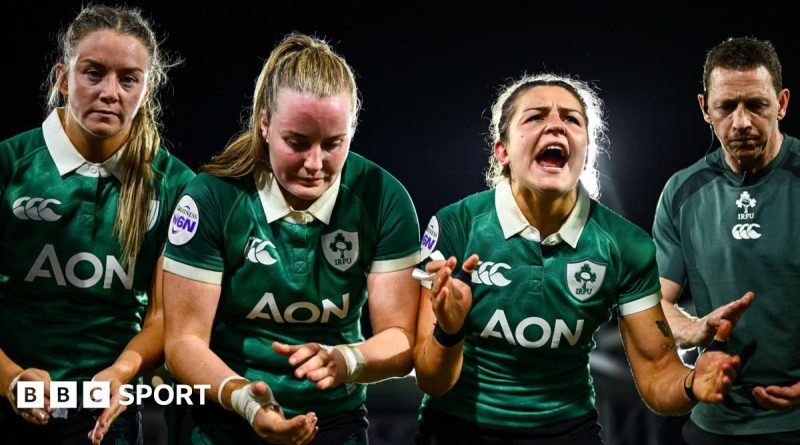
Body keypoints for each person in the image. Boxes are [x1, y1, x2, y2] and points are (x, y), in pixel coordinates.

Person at [412, 73, 741, 444]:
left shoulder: (625, 244)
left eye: (571, 119)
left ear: (587, 150)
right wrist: (450, 330)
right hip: (459, 429)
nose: (556, 125)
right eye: (536, 116)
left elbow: (656, 374)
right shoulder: (457, 225)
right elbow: (431, 381)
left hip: (567, 431)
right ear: (502, 150)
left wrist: (691, 382)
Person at [162, 33, 421, 445]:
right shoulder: (210, 197)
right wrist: (246, 400)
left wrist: (346, 360)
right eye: (297, 143)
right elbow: (181, 342)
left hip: (334, 417)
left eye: (334, 144)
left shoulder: (383, 197)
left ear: (353, 129)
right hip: (221, 412)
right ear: (264, 123)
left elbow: (402, 338)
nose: (315, 164)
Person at [0, 4, 194, 445]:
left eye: (128, 79)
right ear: (63, 79)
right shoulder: (10, 165)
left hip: (107, 407)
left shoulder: (178, 186)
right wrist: (12, 379)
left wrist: (121, 373)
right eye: (93, 73)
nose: (110, 91)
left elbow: (164, 318)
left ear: (147, 91)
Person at [653, 36, 800, 444]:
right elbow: (653, 305)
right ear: (704, 108)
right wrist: (695, 329)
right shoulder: (681, 191)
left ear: (782, 103)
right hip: (714, 424)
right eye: (726, 107)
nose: (741, 123)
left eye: (756, 105)